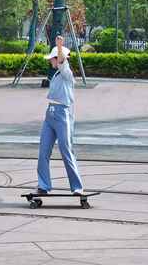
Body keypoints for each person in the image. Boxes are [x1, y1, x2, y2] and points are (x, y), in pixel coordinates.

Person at [36, 35, 84, 195]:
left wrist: (59, 46)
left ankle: (77, 187)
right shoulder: (56, 74)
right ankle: (43, 186)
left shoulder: (66, 73)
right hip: (50, 114)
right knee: (43, 151)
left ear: (58, 59)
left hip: (63, 114)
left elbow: (63, 63)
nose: (50, 61)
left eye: (52, 59)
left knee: (66, 150)